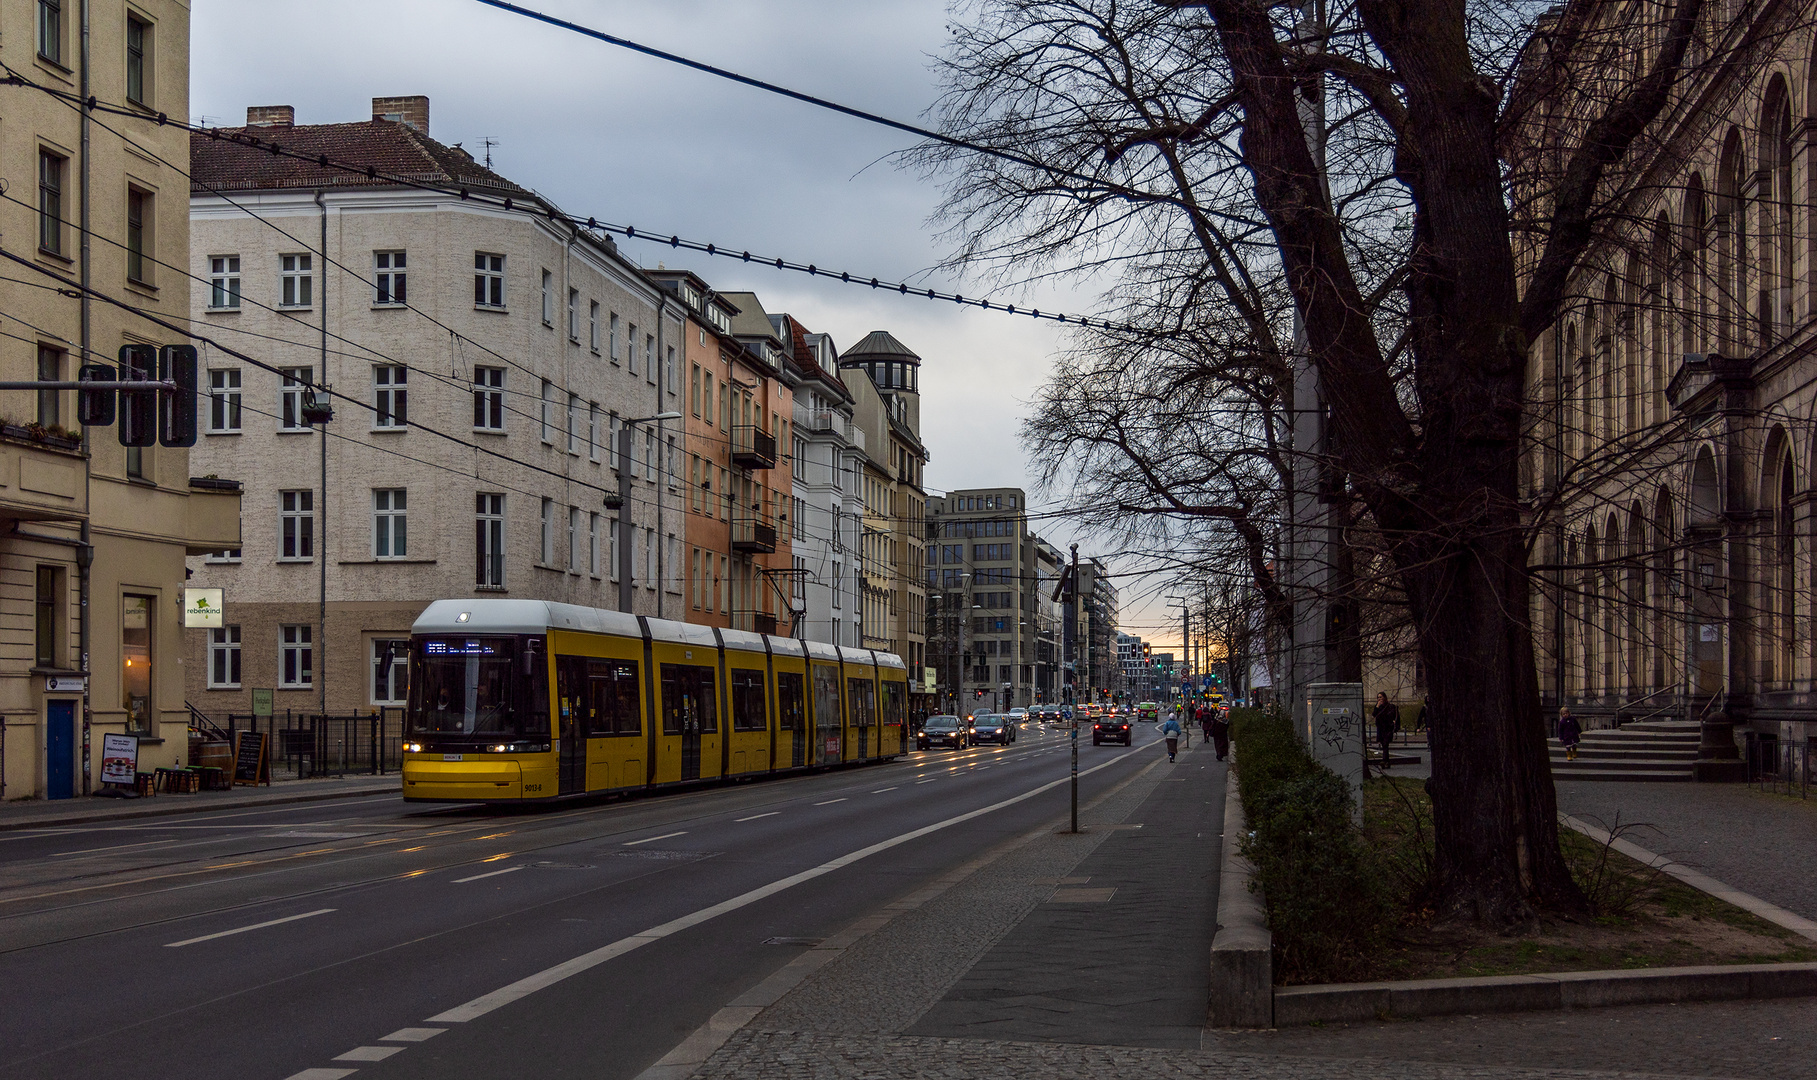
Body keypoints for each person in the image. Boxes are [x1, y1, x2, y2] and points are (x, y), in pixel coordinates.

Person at [1373, 693, 1399, 768]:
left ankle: (1385, 760)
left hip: (1388, 728)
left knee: (1385, 744)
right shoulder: (1378, 707)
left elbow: (1396, 716)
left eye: (1381, 697)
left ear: (1384, 697)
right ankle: (1386, 761)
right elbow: (1374, 714)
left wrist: (1395, 726)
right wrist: (1377, 706)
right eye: (1378, 697)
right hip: (1380, 728)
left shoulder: (1391, 707)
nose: (1379, 699)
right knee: (1384, 744)